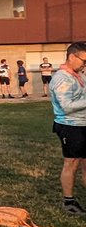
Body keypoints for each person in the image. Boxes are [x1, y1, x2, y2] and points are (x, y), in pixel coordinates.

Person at [48, 42, 86, 214]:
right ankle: (69, 202)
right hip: (70, 126)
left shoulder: (78, 75)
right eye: (83, 61)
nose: (84, 64)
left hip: (82, 124)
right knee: (72, 163)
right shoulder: (62, 78)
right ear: (71, 57)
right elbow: (67, 106)